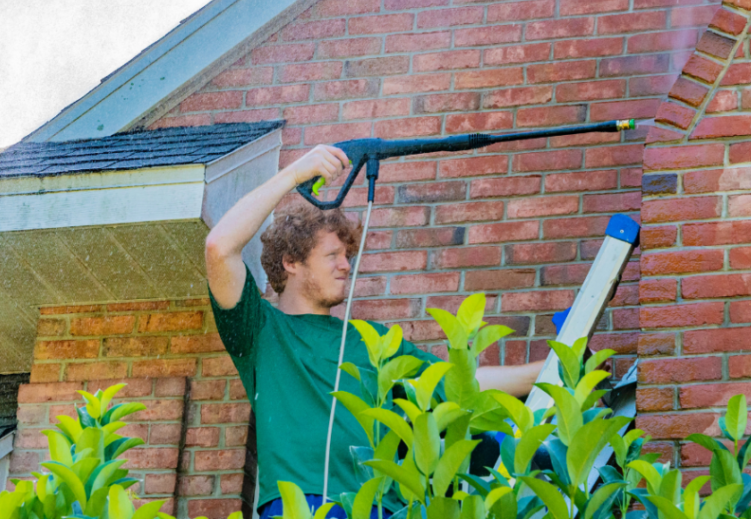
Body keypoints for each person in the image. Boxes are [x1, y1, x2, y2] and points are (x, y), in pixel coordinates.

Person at [205, 144, 545, 519]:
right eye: (332, 255)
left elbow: (458, 384)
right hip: (299, 506)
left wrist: (550, 373)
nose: (345, 266)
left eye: (347, 256)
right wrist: (294, 174)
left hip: (382, 508)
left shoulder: (374, 340)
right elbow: (220, 247)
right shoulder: (262, 332)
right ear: (291, 262)